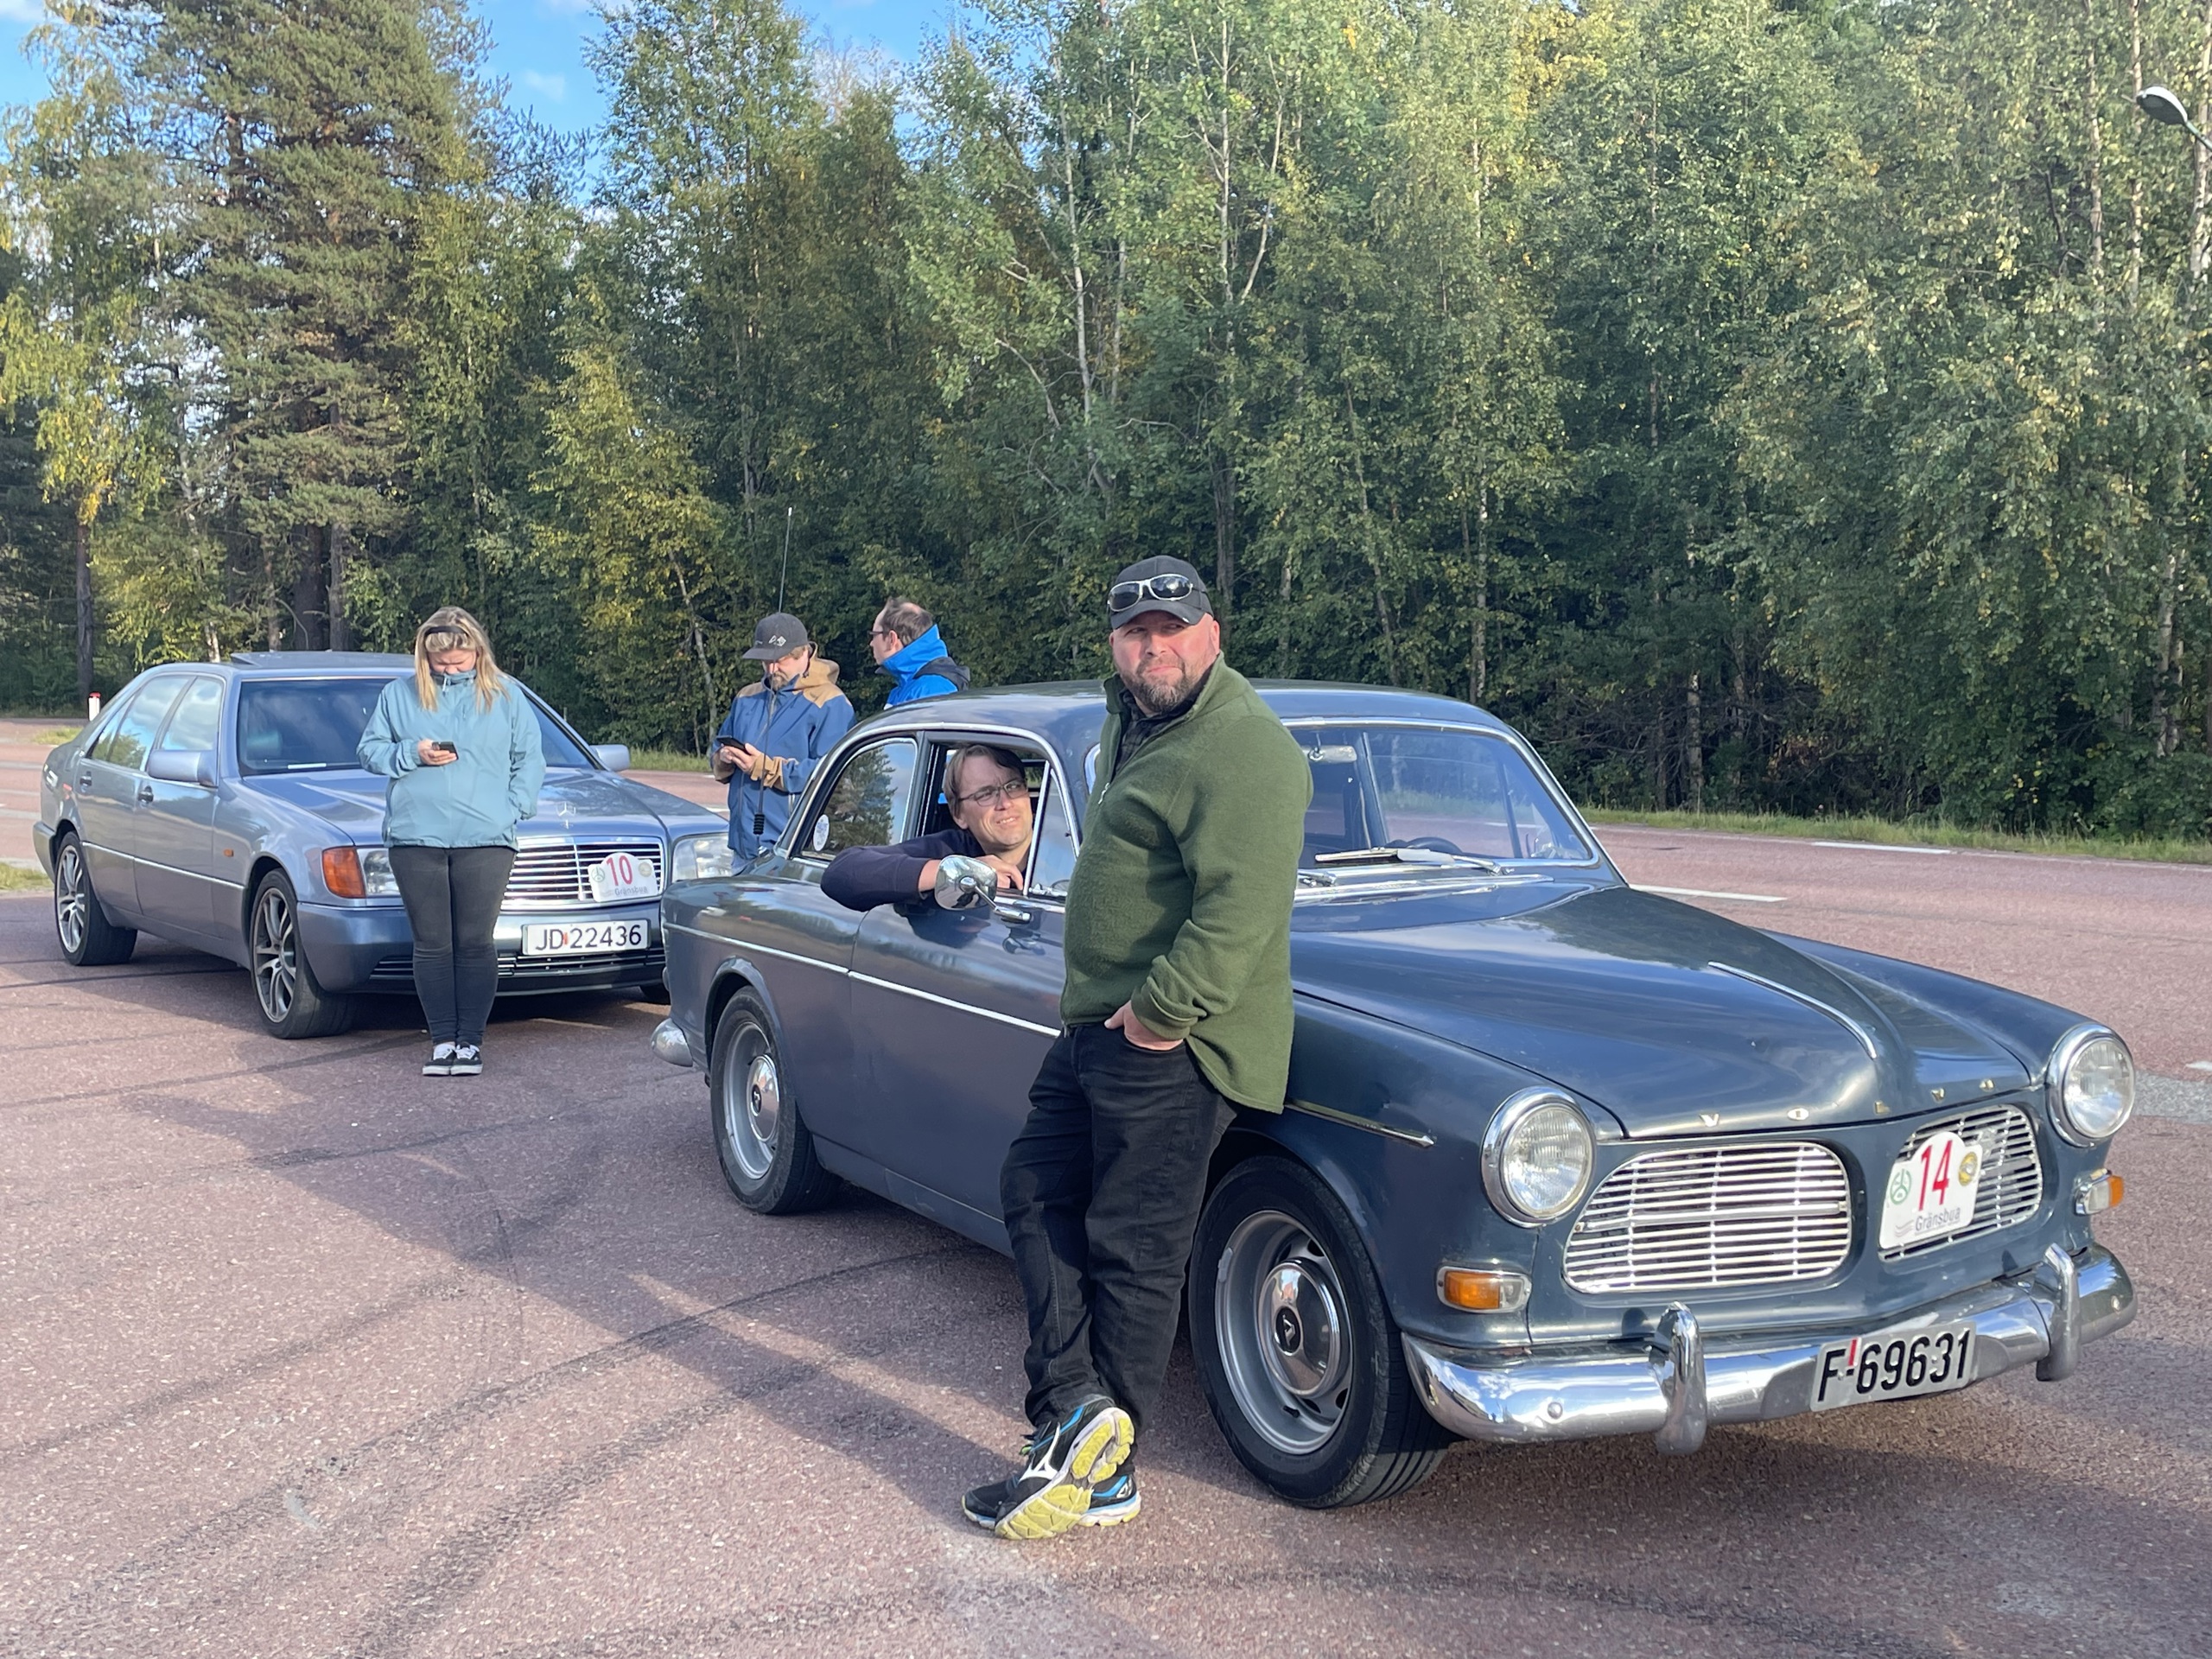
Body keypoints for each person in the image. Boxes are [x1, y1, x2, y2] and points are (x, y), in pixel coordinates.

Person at [961, 556, 1312, 1540]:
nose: (1153, 647)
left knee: (1133, 1247)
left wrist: (1162, 1014)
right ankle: (1077, 1412)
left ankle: (1102, 1474)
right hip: (1099, 1028)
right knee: (1034, 1190)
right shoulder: (1137, 723)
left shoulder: (1245, 747)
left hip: (1172, 1041)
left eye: (1171, 629)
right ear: (1115, 644)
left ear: (1211, 634)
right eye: (1135, 632)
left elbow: (1239, 911)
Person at [357, 607, 546, 1077]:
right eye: (440, 662)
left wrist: (513, 808)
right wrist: (412, 752)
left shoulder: (507, 695)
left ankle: (471, 1043)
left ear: (478, 651)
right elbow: (369, 752)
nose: (451, 669)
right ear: (424, 657)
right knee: (432, 943)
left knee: (475, 942)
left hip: (487, 838)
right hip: (415, 836)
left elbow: (529, 757)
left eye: (460, 661)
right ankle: (443, 1041)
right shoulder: (398, 695)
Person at [821, 744, 1033, 911]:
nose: (1005, 803)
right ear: (958, 815)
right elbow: (841, 873)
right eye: (985, 794)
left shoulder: (1055, 843)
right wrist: (960, 872)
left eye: (1013, 786)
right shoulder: (953, 850)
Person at [713, 612, 855, 860]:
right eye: (765, 661)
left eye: (780, 660)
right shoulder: (747, 697)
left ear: (804, 654)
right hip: (741, 848)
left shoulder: (831, 703)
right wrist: (724, 758)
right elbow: (717, 748)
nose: (772, 669)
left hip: (790, 851)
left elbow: (833, 775)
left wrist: (766, 768)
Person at [869, 597, 970, 706]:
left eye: (874, 635)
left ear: (892, 639)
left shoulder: (930, 690)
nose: (871, 643)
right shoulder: (911, 686)